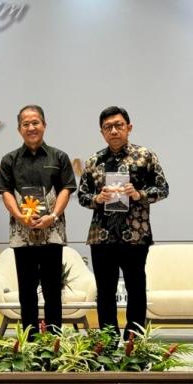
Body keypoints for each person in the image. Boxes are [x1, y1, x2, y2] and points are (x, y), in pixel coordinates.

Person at [77, 106, 168, 340]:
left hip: (135, 235)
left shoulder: (145, 156)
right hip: (102, 236)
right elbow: (82, 196)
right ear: (102, 132)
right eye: (108, 127)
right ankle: (107, 342)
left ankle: (134, 342)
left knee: (136, 290)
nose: (114, 131)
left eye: (119, 125)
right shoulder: (94, 161)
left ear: (129, 127)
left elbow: (163, 189)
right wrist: (98, 198)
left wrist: (138, 194)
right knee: (105, 292)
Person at [0, 105, 76, 336]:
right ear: (19, 128)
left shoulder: (59, 157)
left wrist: (52, 215)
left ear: (44, 125)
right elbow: (5, 191)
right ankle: (30, 341)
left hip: (52, 231)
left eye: (36, 123)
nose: (31, 127)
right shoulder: (9, 159)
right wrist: (19, 216)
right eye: (26, 124)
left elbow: (66, 189)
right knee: (27, 290)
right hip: (23, 233)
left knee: (53, 289)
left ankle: (54, 341)